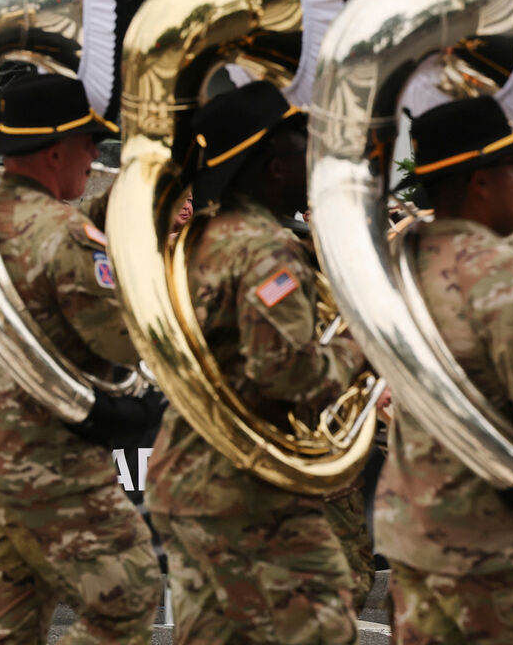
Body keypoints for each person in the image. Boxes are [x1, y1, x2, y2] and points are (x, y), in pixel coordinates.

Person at [143, 81, 366, 645]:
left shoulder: (201, 240)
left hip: (190, 476)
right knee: (325, 625)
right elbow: (287, 374)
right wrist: (360, 347)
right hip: (244, 490)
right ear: (274, 167)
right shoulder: (267, 250)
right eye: (305, 152)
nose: (314, 166)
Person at [0, 74, 162, 644]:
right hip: (51, 458)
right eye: (89, 144)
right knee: (129, 592)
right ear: (55, 152)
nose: (95, 157)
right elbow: (123, 343)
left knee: (8, 625)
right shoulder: (66, 234)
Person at [375, 95, 513, 644]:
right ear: (481, 182)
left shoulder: (408, 251)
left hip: (415, 527)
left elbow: (474, 263)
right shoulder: (505, 277)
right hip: (494, 546)